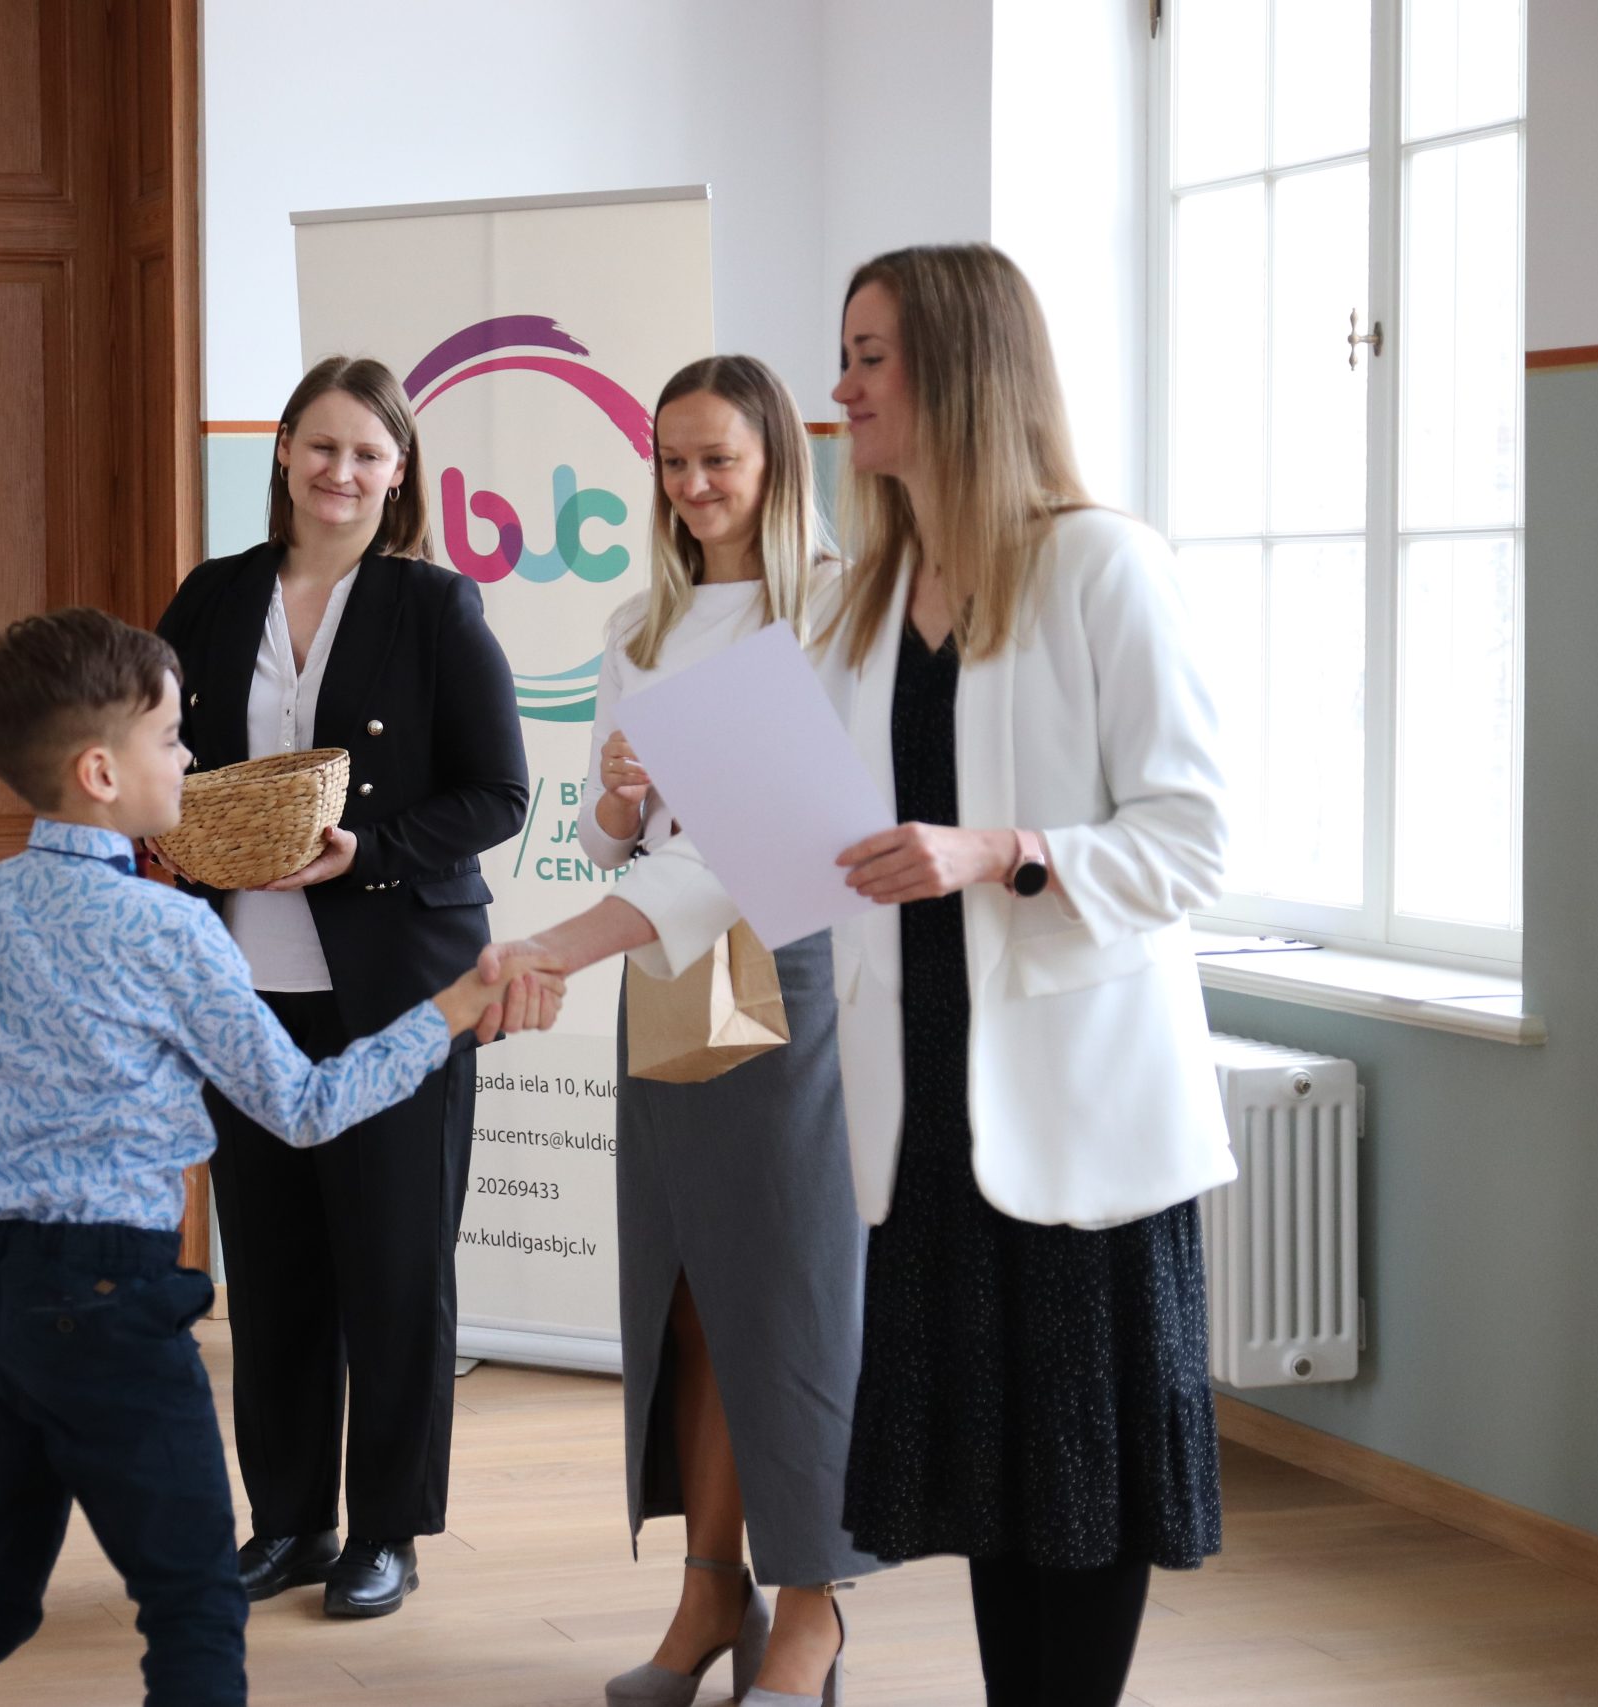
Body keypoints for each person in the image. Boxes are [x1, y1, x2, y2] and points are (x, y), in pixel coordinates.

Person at [484, 245, 1236, 1707]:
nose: (838, 387)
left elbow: (1192, 841)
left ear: (961, 366)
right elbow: (747, 847)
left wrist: (1002, 851)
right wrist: (551, 946)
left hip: (1077, 1120)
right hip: (921, 1128)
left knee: (1079, 1490)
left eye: (868, 356)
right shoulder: (863, 607)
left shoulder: (1101, 563)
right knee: (996, 1496)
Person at [0, 608, 557, 1707]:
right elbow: (308, 1109)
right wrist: (450, 1009)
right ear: (100, 772)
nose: (191, 760)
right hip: (110, 1298)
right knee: (190, 1606)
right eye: (172, 738)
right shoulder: (174, 933)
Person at [153, 356, 531, 1618]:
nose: (341, 472)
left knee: (396, 1270)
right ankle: (290, 1524)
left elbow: (498, 794)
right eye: (321, 446)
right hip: (243, 987)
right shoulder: (213, 597)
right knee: (273, 1272)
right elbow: (153, 750)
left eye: (368, 453)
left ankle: (387, 1533)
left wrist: (367, 851)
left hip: (401, 994)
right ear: (282, 453)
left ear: (399, 471)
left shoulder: (436, 606)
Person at [575, 355, 880, 1707]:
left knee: (795, 1292)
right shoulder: (637, 621)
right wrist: (618, 793)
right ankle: (709, 1592)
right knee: (688, 1288)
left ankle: (812, 1607)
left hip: (798, 966)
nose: (693, 485)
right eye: (673, 461)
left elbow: (854, 809)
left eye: (719, 459)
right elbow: (607, 844)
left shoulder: (842, 607)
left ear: (776, 462)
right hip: (663, 963)